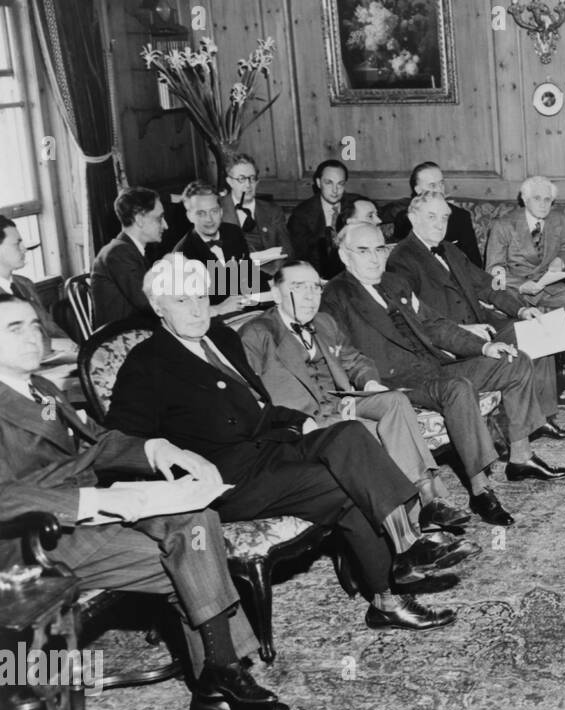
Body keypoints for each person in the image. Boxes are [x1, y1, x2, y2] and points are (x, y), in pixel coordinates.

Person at [105, 257, 466, 631]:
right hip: (223, 479)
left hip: (266, 449)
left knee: (349, 434)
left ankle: (405, 549)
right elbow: (117, 439)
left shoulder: (222, 338)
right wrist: (164, 451)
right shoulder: (146, 363)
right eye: (182, 300)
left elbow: (257, 407)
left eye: (200, 296)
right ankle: (391, 590)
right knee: (346, 485)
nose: (197, 309)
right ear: (158, 306)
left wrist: (299, 421)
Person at [0, 293, 285, 710]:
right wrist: (93, 501)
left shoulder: (42, 389)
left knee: (198, 519)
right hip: (36, 539)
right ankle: (221, 675)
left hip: (92, 510)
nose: (32, 336)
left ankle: (219, 673)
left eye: (34, 325)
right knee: (194, 557)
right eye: (14, 328)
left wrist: (157, 448)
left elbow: (96, 442)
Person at [322, 222, 565, 527]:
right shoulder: (335, 294)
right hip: (394, 381)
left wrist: (484, 347)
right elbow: (341, 350)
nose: (375, 258)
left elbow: (434, 324)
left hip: (433, 365)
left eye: (379, 249)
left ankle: (520, 457)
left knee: (514, 360)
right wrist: (368, 382)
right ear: (345, 256)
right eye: (363, 251)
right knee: (457, 388)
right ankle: (481, 489)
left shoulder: (394, 282)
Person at [238, 260, 472, 534]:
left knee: (395, 400)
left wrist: (369, 383)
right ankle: (414, 519)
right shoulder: (257, 333)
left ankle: (429, 498)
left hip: (340, 404)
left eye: (315, 287)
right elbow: (245, 396)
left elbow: (355, 361)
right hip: (306, 423)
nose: (310, 296)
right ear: (277, 294)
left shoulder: (324, 322)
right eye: (298, 287)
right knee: (376, 432)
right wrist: (291, 423)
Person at [386, 192, 565, 439]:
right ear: (413, 218)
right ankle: (525, 424)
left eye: (444, 217)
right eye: (431, 217)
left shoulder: (450, 250)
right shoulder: (401, 260)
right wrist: (461, 329)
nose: (440, 224)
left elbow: (488, 285)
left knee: (540, 330)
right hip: (449, 343)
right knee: (523, 346)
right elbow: (415, 319)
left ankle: (541, 419)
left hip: (483, 325)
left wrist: (521, 309)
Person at [483, 175, 565, 380]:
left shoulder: (559, 220)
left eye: (548, 200)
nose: (543, 204)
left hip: (547, 285)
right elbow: (493, 270)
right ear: (524, 199)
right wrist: (521, 285)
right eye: (537, 198)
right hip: (514, 289)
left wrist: (561, 260)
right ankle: (527, 372)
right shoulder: (504, 225)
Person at [171, 181, 259, 316]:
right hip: (213, 320)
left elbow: (249, 275)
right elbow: (185, 311)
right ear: (189, 216)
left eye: (214, 211)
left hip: (247, 310)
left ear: (221, 211)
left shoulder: (234, 232)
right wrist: (219, 308)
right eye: (201, 213)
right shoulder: (182, 254)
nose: (209, 219)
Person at [91, 187, 168, 328]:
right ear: (139, 220)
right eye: (159, 218)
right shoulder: (118, 254)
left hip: (137, 329)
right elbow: (148, 303)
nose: (165, 225)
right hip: (120, 337)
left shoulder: (129, 250)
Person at [383, 162, 483, 267]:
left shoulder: (460, 217)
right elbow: (397, 259)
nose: (439, 189)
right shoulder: (405, 219)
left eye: (441, 184)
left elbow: (475, 263)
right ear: (418, 190)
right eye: (432, 185)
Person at [0, 215, 75, 355]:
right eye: (17, 244)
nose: (24, 249)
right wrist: (50, 344)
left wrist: (71, 347)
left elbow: (50, 327)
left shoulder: (24, 284)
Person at [220, 153, 294, 259]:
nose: (248, 185)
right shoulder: (217, 209)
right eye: (241, 179)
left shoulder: (273, 211)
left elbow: (287, 251)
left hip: (269, 268)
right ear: (230, 181)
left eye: (252, 178)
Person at [289, 159, 350, 276]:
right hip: (317, 274)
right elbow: (299, 256)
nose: (335, 190)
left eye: (340, 184)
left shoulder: (355, 205)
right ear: (318, 183)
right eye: (328, 183)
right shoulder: (301, 214)